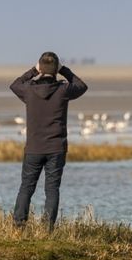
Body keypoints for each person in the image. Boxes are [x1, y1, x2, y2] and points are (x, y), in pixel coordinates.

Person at [10, 51, 88, 231]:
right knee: (52, 189)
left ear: (40, 68)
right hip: (56, 148)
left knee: (26, 187)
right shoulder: (63, 90)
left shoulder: (29, 89)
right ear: (55, 71)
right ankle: (47, 228)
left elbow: (15, 85)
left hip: (33, 148)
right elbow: (81, 86)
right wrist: (64, 70)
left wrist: (33, 70)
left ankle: (19, 225)